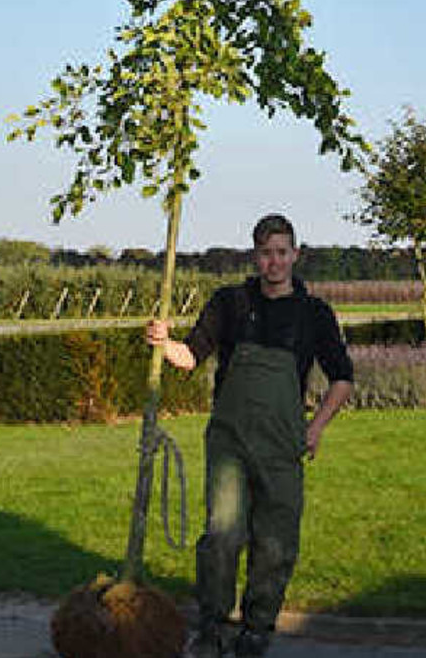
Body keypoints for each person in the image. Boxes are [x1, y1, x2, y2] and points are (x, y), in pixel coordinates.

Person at [146, 213, 353, 658]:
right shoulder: (230, 304)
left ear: (295, 255)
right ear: (254, 256)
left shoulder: (313, 314)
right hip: (230, 442)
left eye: (282, 252)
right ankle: (213, 624)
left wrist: (316, 428)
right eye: (265, 253)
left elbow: (343, 379)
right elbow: (191, 355)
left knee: (275, 541)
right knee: (222, 534)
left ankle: (258, 626)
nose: (274, 262)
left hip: (282, 445)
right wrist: (164, 343)